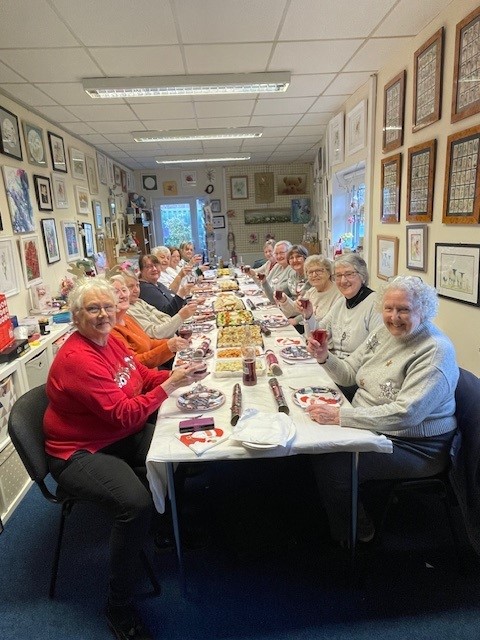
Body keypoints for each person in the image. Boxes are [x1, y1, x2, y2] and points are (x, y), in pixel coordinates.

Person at [43, 277, 206, 640]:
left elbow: (138, 373)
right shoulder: (78, 360)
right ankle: (118, 606)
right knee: (134, 505)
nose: (103, 314)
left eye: (107, 306)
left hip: (113, 435)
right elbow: (124, 416)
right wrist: (167, 388)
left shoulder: (109, 340)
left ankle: (164, 530)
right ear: (76, 316)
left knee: (179, 447)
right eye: (92, 309)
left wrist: (173, 377)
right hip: (79, 450)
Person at [306, 276, 459, 545]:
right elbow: (350, 372)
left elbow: (406, 414)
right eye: (388, 308)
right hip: (374, 422)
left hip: (415, 445)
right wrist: (325, 358)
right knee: (314, 438)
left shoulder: (435, 352)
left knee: (331, 463)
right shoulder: (383, 333)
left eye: (404, 309)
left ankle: (354, 531)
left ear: (424, 311)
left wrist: (342, 416)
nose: (394, 317)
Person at [305, 253, 382, 399]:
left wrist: (327, 359)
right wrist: (309, 316)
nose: (343, 280)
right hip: (333, 370)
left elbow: (371, 355)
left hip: (355, 382)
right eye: (338, 275)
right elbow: (316, 334)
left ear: (363, 276)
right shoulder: (341, 303)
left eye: (349, 274)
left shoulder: (375, 304)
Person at [110, 275, 189, 368]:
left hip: (155, 367)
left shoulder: (127, 317)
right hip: (151, 371)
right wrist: (169, 347)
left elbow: (149, 342)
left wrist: (176, 341)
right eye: (116, 292)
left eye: (124, 290)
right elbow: (135, 364)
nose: (123, 295)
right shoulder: (112, 329)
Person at [123, 269, 197, 339]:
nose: (136, 290)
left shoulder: (139, 301)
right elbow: (155, 333)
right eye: (131, 286)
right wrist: (181, 316)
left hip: (173, 336)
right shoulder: (128, 310)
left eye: (137, 285)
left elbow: (165, 316)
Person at [279, 254, 341, 329]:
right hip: (310, 336)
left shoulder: (339, 294)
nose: (314, 275)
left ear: (329, 273)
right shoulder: (311, 292)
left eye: (319, 271)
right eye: (310, 272)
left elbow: (328, 327)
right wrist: (284, 300)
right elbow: (292, 311)